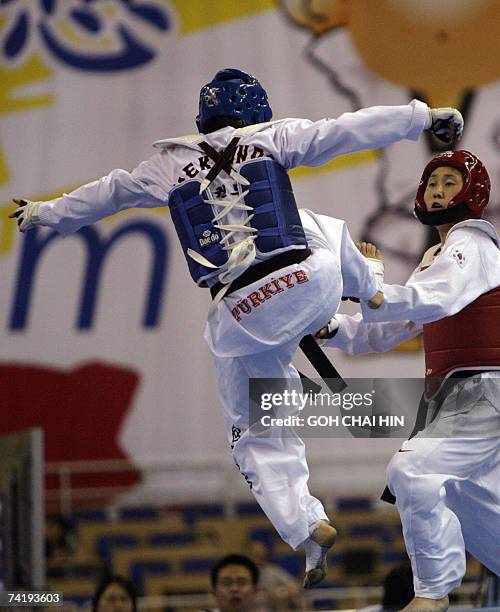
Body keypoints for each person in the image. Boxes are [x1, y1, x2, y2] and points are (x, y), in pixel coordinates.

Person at [9, 68, 463, 587]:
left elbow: (108, 193)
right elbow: (343, 130)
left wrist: (46, 214)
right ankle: (374, 285)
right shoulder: (268, 138)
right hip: (308, 281)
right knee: (321, 225)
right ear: (255, 110)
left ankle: (305, 524)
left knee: (258, 431)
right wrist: (422, 117)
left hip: (242, 311)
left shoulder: (167, 164)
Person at [318, 150, 500, 611]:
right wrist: (330, 326)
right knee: (456, 496)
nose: (437, 190)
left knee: (412, 471)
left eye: (449, 182)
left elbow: (428, 300)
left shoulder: (472, 245)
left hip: (484, 391)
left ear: (473, 192)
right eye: (432, 181)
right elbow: (391, 329)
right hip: (456, 397)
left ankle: (433, 594)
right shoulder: (437, 256)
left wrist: (369, 282)